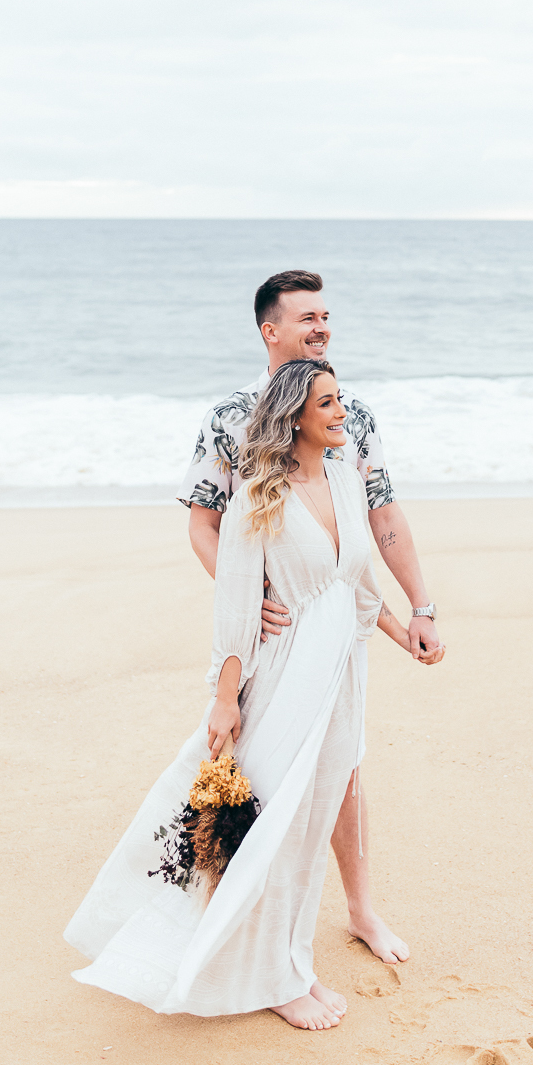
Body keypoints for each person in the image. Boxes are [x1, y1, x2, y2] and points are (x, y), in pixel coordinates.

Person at [66, 359, 428, 1029]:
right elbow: (234, 616)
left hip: (342, 677)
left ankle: (290, 964)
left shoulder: (346, 478)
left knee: (313, 822)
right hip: (283, 679)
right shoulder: (255, 499)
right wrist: (225, 701)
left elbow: (359, 578)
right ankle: (272, 979)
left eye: (340, 399)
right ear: (295, 417)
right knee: (276, 832)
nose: (342, 413)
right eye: (327, 404)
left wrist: (404, 630)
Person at [179, 267, 442, 966]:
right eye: (306, 318)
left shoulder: (351, 414)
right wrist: (248, 597)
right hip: (273, 632)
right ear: (270, 330)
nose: (321, 327)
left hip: (337, 626)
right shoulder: (228, 418)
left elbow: (379, 517)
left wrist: (418, 608)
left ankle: (359, 911)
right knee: (266, 777)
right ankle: (245, 933)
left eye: (326, 316)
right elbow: (207, 525)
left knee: (344, 772)